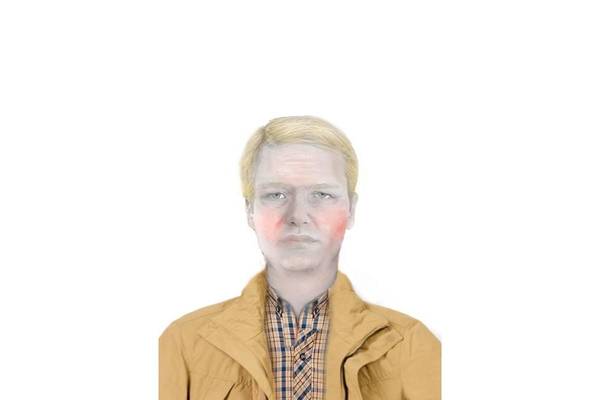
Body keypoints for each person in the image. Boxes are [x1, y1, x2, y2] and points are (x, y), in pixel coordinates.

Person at [159, 115, 441, 399]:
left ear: (351, 210)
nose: (297, 215)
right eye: (276, 195)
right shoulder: (182, 344)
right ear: (249, 211)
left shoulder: (412, 345)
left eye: (322, 194)